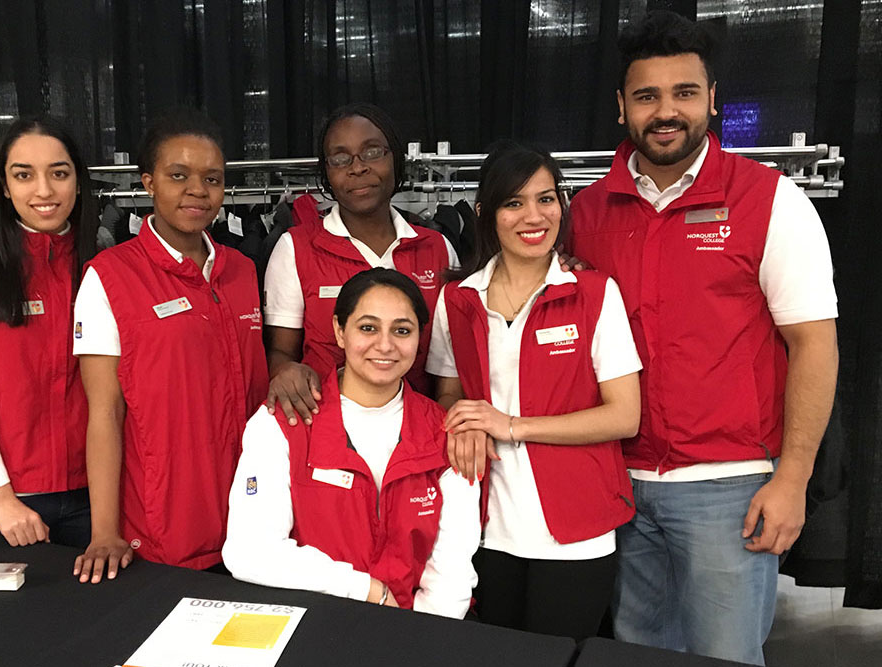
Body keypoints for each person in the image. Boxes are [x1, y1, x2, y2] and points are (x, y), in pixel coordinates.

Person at [567, 11, 839, 665]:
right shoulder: (585, 212)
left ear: (712, 98)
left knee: (726, 656)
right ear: (622, 106)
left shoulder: (771, 200)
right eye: (647, 95)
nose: (667, 111)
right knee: (639, 650)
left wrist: (793, 478)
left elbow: (813, 343)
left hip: (729, 488)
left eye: (684, 92)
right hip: (620, 484)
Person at [426, 142, 643, 639]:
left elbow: (624, 415)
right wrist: (460, 425)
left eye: (547, 199)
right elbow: (447, 395)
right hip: (487, 527)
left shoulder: (593, 293)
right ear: (486, 213)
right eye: (514, 203)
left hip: (576, 532)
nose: (534, 216)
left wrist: (510, 426)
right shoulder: (457, 300)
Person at [72, 108, 268, 583]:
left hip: (252, 519)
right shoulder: (110, 276)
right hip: (164, 526)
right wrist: (104, 532)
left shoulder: (241, 270)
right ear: (148, 183)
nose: (197, 190)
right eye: (178, 176)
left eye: (212, 178)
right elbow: (104, 414)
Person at [223, 268, 479, 618]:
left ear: (421, 338)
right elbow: (250, 551)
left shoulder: (449, 434)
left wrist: (421, 635)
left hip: (417, 626)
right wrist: (367, 591)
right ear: (339, 332)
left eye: (402, 330)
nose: (385, 345)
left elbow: (451, 568)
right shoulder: (281, 425)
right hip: (312, 625)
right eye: (368, 328)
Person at [0, 115, 98, 548]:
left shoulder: (103, 268)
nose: (44, 191)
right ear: (5, 187)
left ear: (78, 183)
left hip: (96, 498)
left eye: (59, 174)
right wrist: (2, 499)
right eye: (24, 175)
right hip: (10, 504)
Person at [263, 103, 457, 425]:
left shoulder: (436, 248)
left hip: (417, 433)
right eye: (340, 159)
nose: (357, 168)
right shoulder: (295, 248)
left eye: (372, 152)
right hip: (325, 430)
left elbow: (447, 364)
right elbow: (281, 353)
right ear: (326, 172)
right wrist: (285, 371)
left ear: (395, 158)